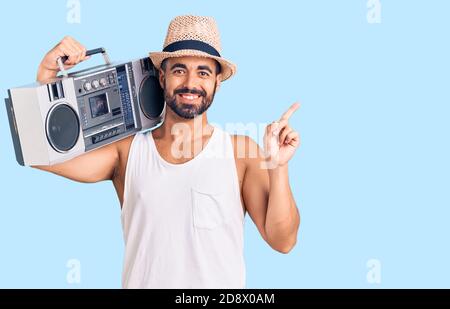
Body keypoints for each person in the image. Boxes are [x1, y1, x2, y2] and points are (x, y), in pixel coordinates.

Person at [34, 15, 301, 288]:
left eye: (203, 72)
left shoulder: (240, 152)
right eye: (179, 70)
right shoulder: (127, 152)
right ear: (162, 77)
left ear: (217, 82)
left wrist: (279, 167)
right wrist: (46, 74)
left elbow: (283, 241)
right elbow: (40, 154)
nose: (190, 83)